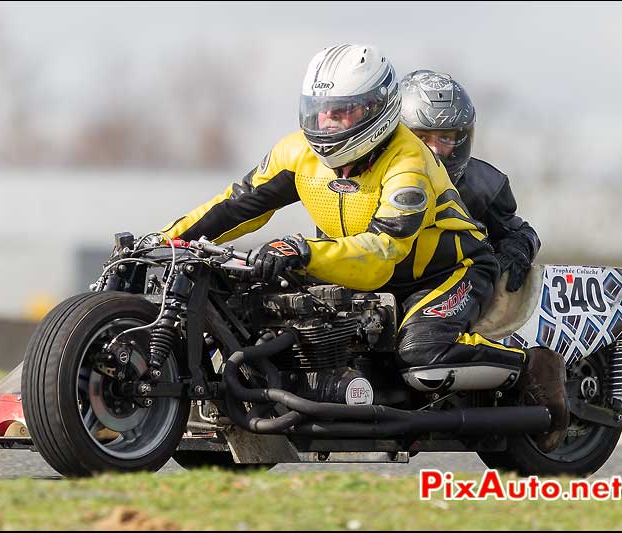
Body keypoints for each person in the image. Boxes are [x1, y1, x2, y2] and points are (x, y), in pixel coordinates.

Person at [160, 44, 568, 451]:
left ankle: (532, 366)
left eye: (343, 111)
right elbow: (236, 205)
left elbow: (382, 254)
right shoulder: (297, 151)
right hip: (353, 264)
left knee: (422, 354)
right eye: (321, 109)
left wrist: (304, 251)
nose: (328, 121)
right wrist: (166, 241)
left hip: (447, 271)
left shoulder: (409, 163)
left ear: (377, 110)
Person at [399, 70, 540, 293]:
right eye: (422, 137)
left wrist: (520, 247)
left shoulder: (486, 186)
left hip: (448, 296)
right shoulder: (360, 176)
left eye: (445, 138)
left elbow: (519, 231)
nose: (435, 149)